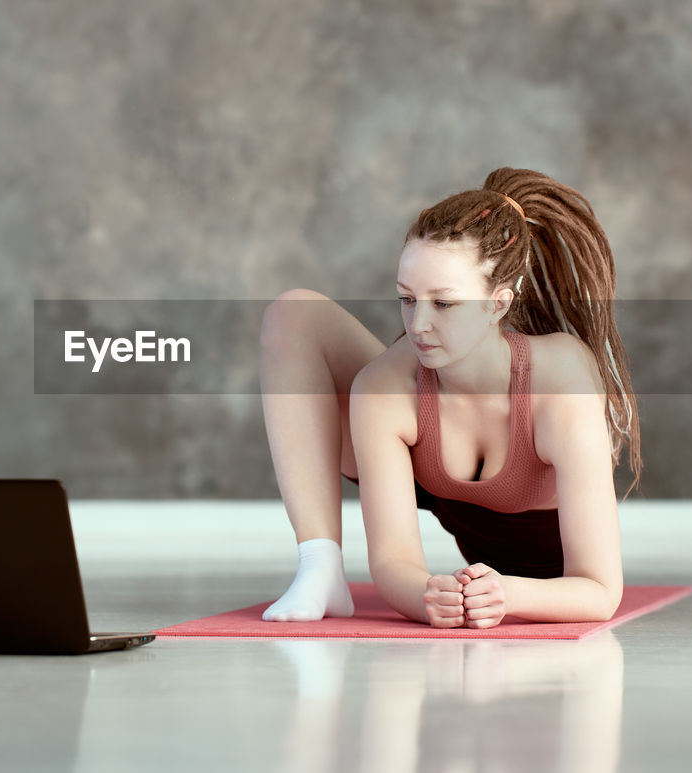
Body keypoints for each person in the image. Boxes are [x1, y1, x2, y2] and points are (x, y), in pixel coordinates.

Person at [258, 167, 642, 628]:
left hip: (550, 573)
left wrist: (508, 592)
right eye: (406, 299)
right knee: (293, 312)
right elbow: (394, 564)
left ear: (498, 303)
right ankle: (319, 565)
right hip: (446, 501)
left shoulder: (560, 381)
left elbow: (600, 591)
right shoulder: (385, 384)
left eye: (443, 304)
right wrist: (425, 595)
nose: (417, 325)